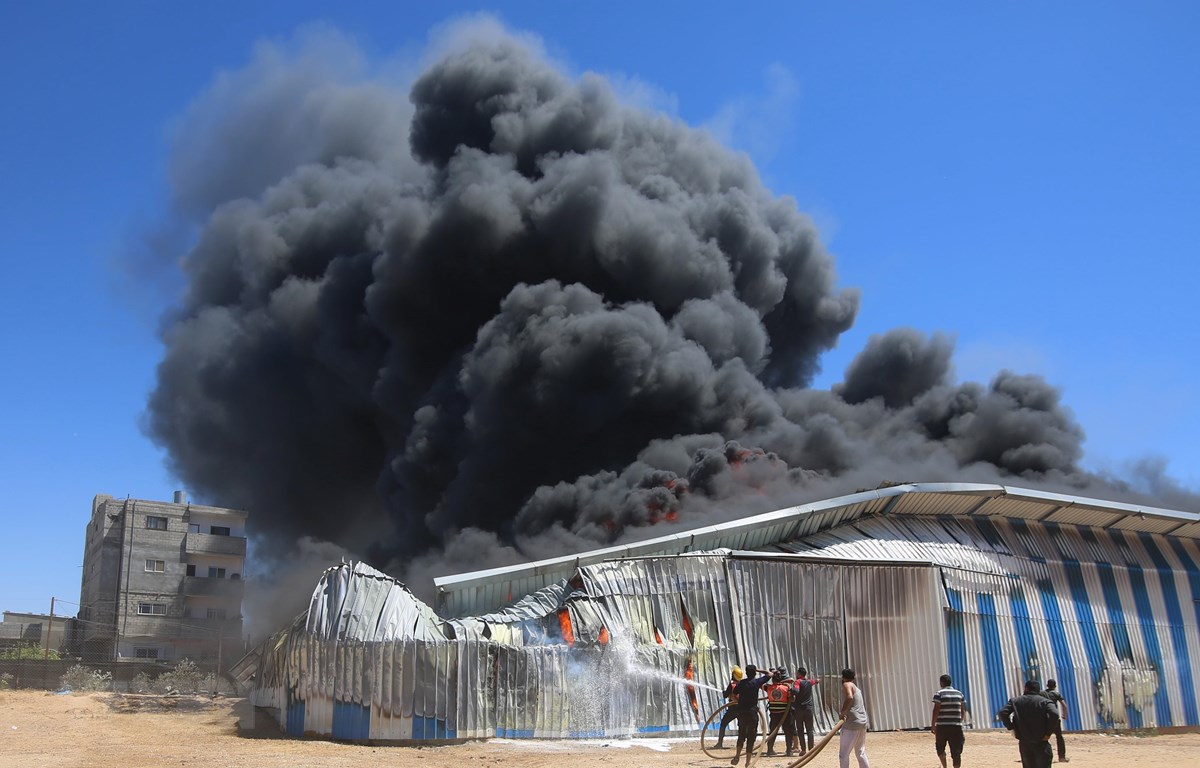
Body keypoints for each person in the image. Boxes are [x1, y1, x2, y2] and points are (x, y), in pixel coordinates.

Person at [998, 680, 1060, 768]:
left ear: (1026, 688)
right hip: (1041, 742)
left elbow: (1003, 713)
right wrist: (1048, 732)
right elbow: (1055, 714)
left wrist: (1011, 728)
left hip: (1024, 742)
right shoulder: (1045, 702)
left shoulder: (1015, 701)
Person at [730, 664, 772, 766]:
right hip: (752, 712)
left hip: (741, 712)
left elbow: (732, 695)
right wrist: (758, 670)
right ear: (754, 673)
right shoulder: (756, 682)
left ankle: (737, 755)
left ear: (746, 672)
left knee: (741, 734)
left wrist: (739, 702)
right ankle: (748, 763)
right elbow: (770, 674)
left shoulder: (741, 683)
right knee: (751, 737)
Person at [931, 673, 968, 768]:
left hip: (942, 726)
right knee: (956, 751)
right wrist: (960, 722)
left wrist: (933, 725)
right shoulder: (959, 694)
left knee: (940, 748)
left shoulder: (939, 694)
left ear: (941, 683)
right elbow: (962, 710)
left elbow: (936, 710)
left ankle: (945, 767)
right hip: (956, 727)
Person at [838, 668, 871, 768]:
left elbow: (849, 697)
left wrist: (843, 712)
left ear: (843, 677)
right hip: (862, 722)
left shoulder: (847, 684)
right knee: (860, 752)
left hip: (852, 723)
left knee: (843, 754)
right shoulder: (856, 688)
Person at [763, 667, 797, 757]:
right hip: (785, 714)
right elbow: (793, 699)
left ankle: (769, 750)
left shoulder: (768, 687)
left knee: (772, 732)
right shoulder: (786, 687)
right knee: (788, 732)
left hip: (774, 714)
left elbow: (760, 683)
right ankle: (789, 751)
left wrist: (769, 674)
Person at [789, 666, 820, 755]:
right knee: (810, 730)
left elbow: (796, 691)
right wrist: (818, 680)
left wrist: (791, 690)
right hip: (808, 708)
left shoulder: (798, 682)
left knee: (800, 730)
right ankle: (811, 749)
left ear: (799, 674)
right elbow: (815, 681)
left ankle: (803, 750)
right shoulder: (809, 682)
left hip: (799, 709)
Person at [714, 665, 745, 749]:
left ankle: (719, 743)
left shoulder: (732, 685)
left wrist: (724, 692)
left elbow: (725, 695)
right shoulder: (742, 684)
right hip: (741, 708)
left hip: (733, 708)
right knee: (741, 726)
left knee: (723, 723)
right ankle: (741, 744)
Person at [1040, 679, 1069, 762]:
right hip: (1054, 718)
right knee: (1059, 737)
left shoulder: (1042, 694)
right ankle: (1062, 757)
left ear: (1047, 685)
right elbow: (1064, 705)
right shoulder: (1056, 694)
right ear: (1055, 686)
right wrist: (1064, 715)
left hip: (1045, 719)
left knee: (1042, 738)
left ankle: (1042, 757)